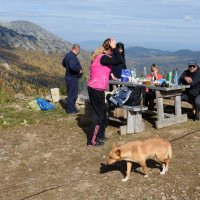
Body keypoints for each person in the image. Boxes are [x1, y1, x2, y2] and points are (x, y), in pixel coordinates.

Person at [87, 38, 124, 147]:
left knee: (103, 114)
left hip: (97, 88)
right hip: (96, 89)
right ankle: (92, 141)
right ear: (110, 50)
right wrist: (114, 48)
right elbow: (120, 60)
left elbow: (103, 69)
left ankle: (100, 136)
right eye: (112, 50)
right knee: (98, 115)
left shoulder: (101, 57)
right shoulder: (103, 58)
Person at [62, 44, 83, 114]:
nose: (79, 52)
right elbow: (72, 66)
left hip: (68, 77)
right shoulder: (72, 57)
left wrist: (67, 67)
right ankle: (71, 110)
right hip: (72, 77)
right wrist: (79, 70)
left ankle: (72, 108)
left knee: (71, 93)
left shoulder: (68, 55)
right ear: (76, 49)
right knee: (73, 94)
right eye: (79, 50)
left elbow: (63, 63)